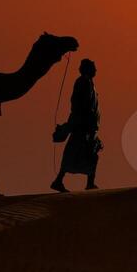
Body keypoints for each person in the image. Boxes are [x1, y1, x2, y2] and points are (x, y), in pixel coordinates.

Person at [52, 59, 102, 192]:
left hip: (88, 127)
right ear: (88, 69)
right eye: (93, 68)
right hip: (82, 126)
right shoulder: (83, 83)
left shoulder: (88, 83)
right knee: (76, 153)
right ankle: (61, 181)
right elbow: (78, 104)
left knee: (90, 154)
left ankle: (87, 182)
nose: (95, 70)